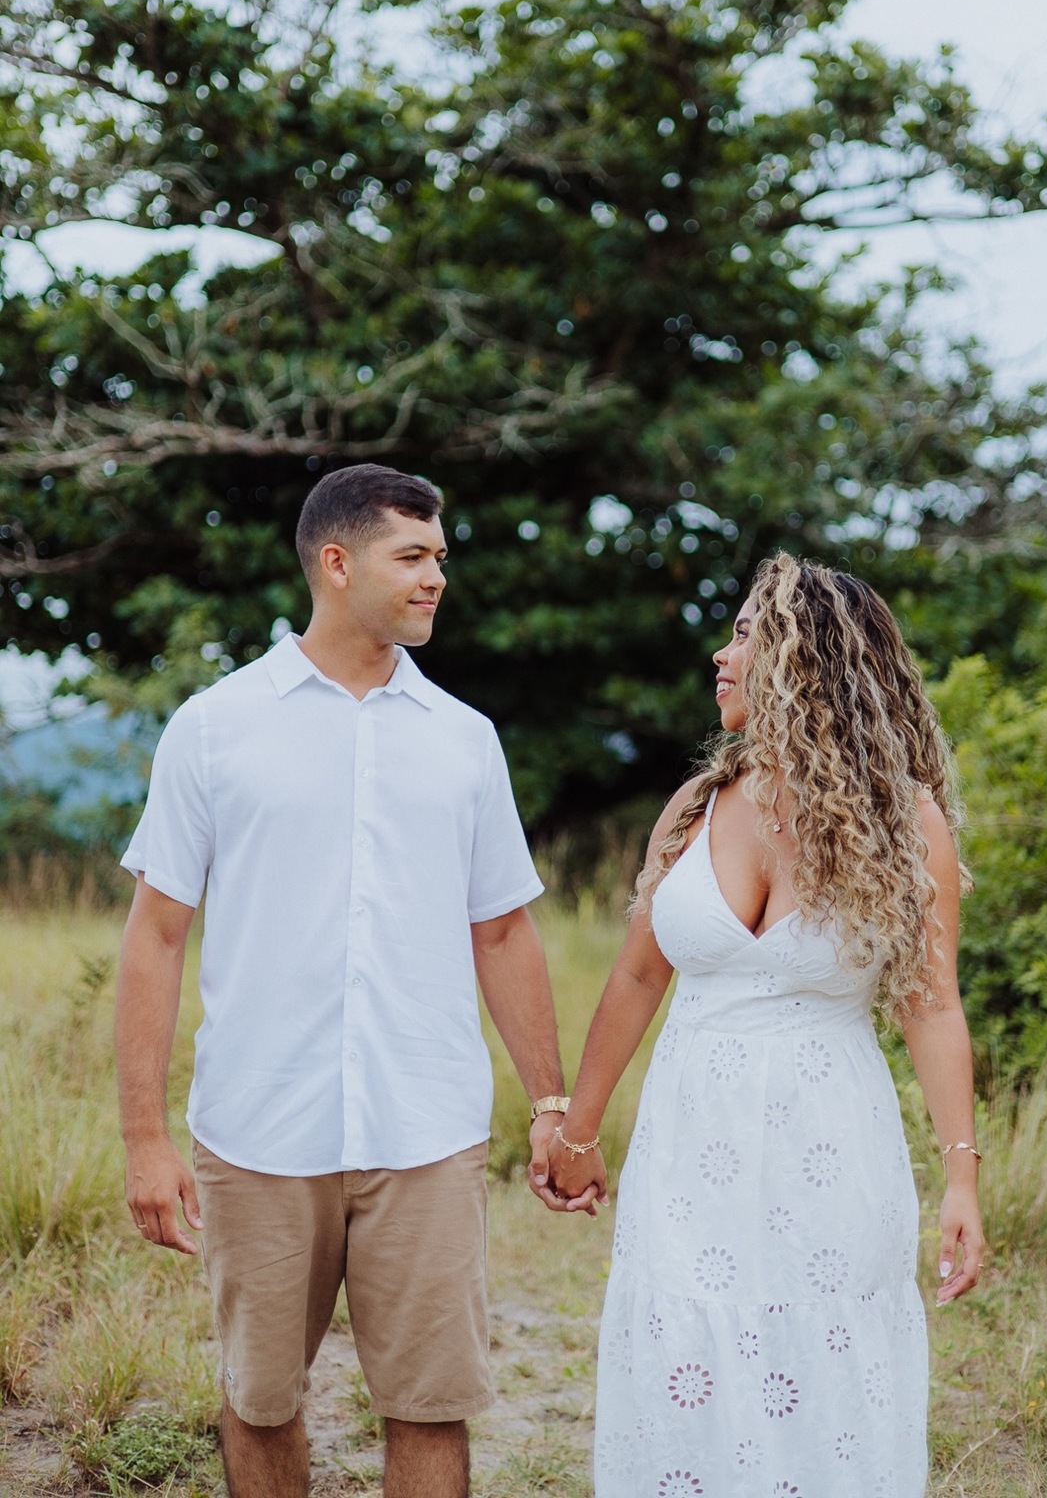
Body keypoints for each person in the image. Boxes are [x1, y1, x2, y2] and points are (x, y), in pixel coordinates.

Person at [114, 464, 578, 1498]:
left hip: (426, 1129)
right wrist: (146, 1139)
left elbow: (502, 931)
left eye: (439, 559)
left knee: (429, 1402)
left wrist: (552, 1104)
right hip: (258, 1130)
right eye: (412, 557)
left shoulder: (465, 740)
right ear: (336, 562)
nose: (435, 580)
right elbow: (155, 937)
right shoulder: (214, 726)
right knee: (263, 1399)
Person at [546, 553, 986, 1497]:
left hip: (831, 1155)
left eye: (745, 633)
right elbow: (634, 976)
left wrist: (962, 1179)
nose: (722, 654)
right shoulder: (695, 809)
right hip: (687, 1151)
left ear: (806, 657)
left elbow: (934, 1007)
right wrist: (577, 1131)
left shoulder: (906, 825)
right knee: (684, 1368)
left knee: (824, 1373)